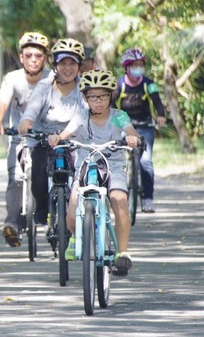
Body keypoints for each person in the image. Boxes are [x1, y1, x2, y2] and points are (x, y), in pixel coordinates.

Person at [48, 69, 141, 276]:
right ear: (85, 98)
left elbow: (130, 131)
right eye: (92, 96)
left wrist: (132, 138)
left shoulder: (118, 117)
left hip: (113, 166)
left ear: (111, 96)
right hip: (86, 165)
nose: (97, 101)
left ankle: (122, 253)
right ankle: (75, 237)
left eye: (102, 96)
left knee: (119, 200)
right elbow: (68, 131)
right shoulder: (81, 115)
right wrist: (58, 137)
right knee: (73, 208)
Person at [0, 32, 52, 247]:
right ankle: (12, 224)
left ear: (45, 57)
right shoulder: (13, 78)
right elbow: (3, 101)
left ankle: (56, 218)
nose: (33, 60)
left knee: (53, 176)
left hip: (47, 138)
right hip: (19, 137)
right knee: (15, 178)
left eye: (38, 55)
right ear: (21, 57)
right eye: (28, 55)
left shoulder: (52, 79)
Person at [18, 38, 87, 226]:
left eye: (72, 63)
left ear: (79, 65)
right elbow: (32, 108)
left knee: (81, 175)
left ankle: (78, 215)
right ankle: (42, 207)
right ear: (55, 65)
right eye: (63, 63)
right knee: (38, 173)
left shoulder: (85, 88)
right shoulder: (44, 87)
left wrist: (64, 135)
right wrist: (26, 121)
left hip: (74, 140)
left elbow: (83, 115)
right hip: (44, 140)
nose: (67, 68)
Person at [115, 47, 167, 213]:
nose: (138, 67)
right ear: (127, 67)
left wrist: (161, 115)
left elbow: (157, 101)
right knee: (116, 159)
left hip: (145, 125)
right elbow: (111, 103)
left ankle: (148, 198)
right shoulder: (119, 84)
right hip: (124, 125)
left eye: (140, 64)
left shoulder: (149, 84)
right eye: (134, 65)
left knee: (146, 161)